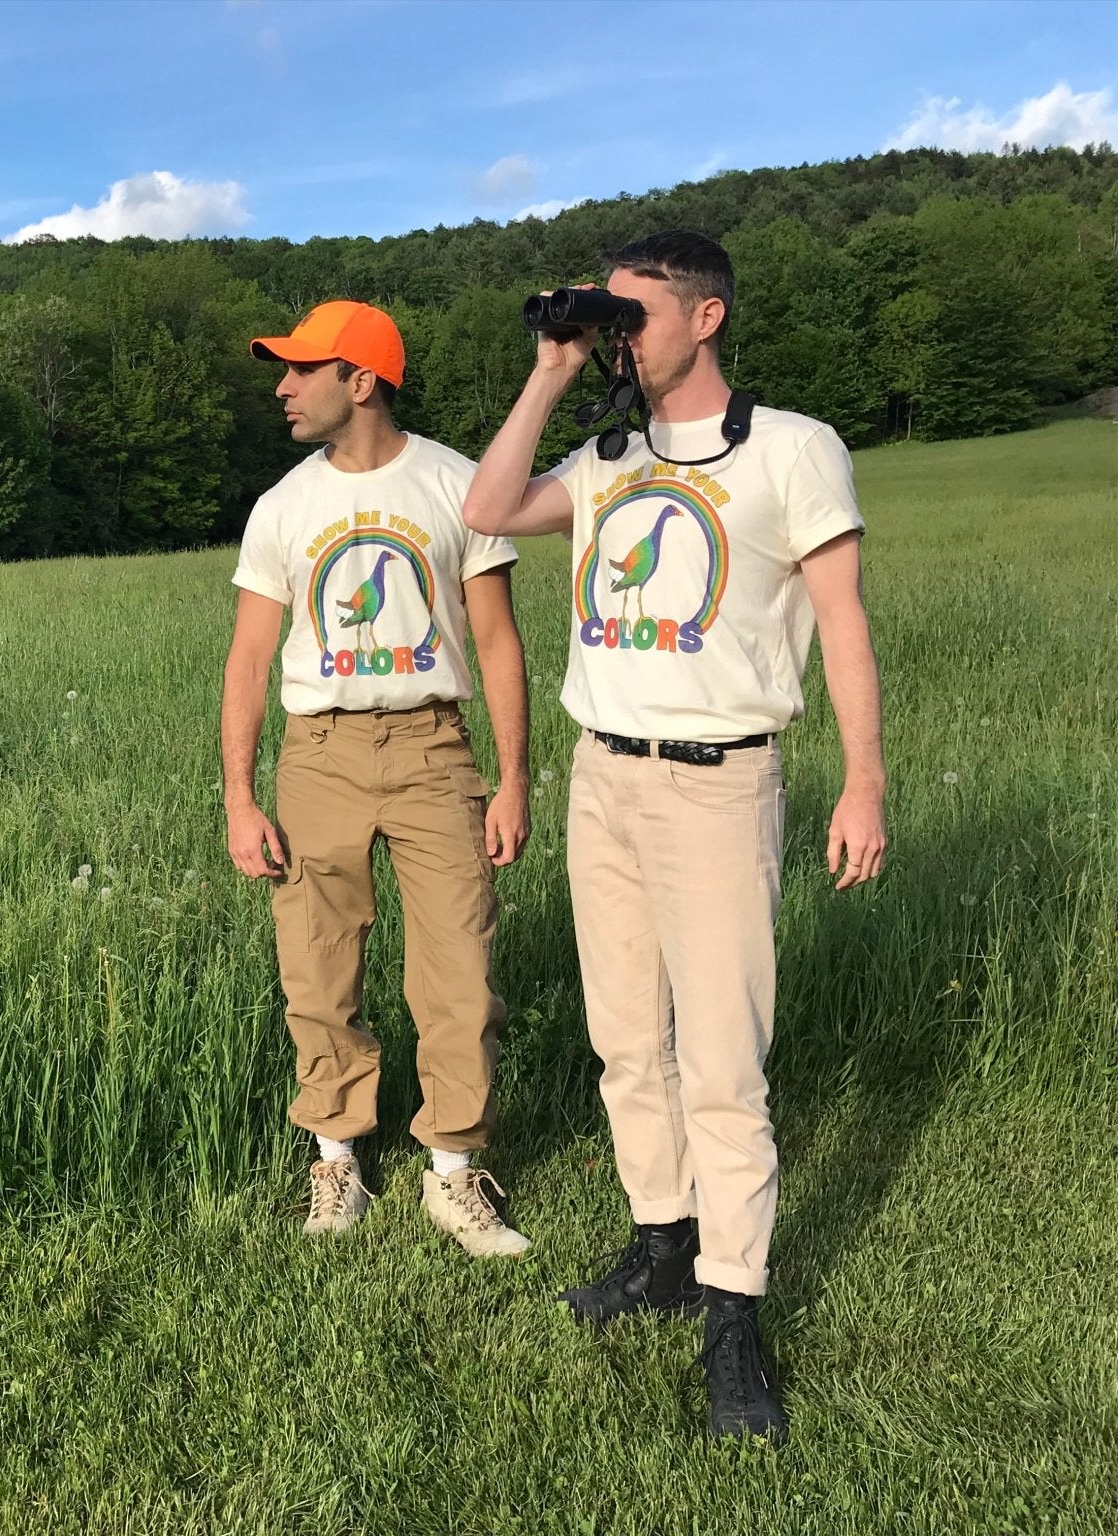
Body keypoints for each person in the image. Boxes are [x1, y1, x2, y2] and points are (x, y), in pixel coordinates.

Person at [461, 231, 888, 1443]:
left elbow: (843, 625)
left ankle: (732, 1310)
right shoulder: (604, 455)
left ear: (705, 318)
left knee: (720, 1063)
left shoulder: (792, 450)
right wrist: (551, 370)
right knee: (623, 1044)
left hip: (717, 785)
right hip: (604, 778)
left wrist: (862, 782)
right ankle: (659, 1244)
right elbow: (486, 509)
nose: (615, 333)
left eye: (631, 313)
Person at [222, 299, 533, 1257]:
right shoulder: (282, 506)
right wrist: (240, 797)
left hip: (437, 750)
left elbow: (495, 638)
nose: (281, 387)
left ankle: (452, 1171)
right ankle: (337, 1161)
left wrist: (513, 779)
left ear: (360, 380)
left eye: (300, 369)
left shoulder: (460, 486)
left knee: (460, 968)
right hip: (319, 754)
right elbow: (247, 658)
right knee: (317, 965)